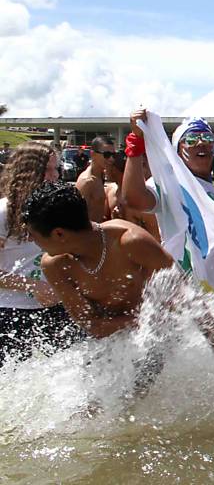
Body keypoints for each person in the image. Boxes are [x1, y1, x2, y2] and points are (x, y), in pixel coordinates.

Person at [23, 181, 173, 338]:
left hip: (159, 334)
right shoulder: (54, 265)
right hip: (111, 345)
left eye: (33, 235)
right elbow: (92, 326)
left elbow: (182, 292)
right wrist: (142, 319)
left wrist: (150, 321)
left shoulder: (130, 242)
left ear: (59, 234)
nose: (31, 240)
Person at [122, 111, 214, 298]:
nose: (201, 143)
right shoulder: (170, 185)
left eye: (207, 138)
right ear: (178, 150)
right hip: (190, 295)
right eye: (191, 139)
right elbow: (134, 198)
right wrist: (135, 143)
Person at [0, 142, 82, 367]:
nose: (55, 176)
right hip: (11, 312)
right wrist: (33, 286)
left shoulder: (59, 211)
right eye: (48, 170)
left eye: (56, 169)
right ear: (27, 172)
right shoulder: (3, 213)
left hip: (59, 306)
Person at [104, 151, 160, 242]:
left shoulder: (144, 199)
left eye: (109, 166)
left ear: (116, 169)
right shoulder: (109, 191)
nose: (105, 170)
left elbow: (156, 238)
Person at [75, 135, 116, 222]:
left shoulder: (100, 176)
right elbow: (77, 217)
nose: (111, 159)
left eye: (113, 155)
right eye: (107, 155)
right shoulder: (87, 181)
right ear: (93, 154)